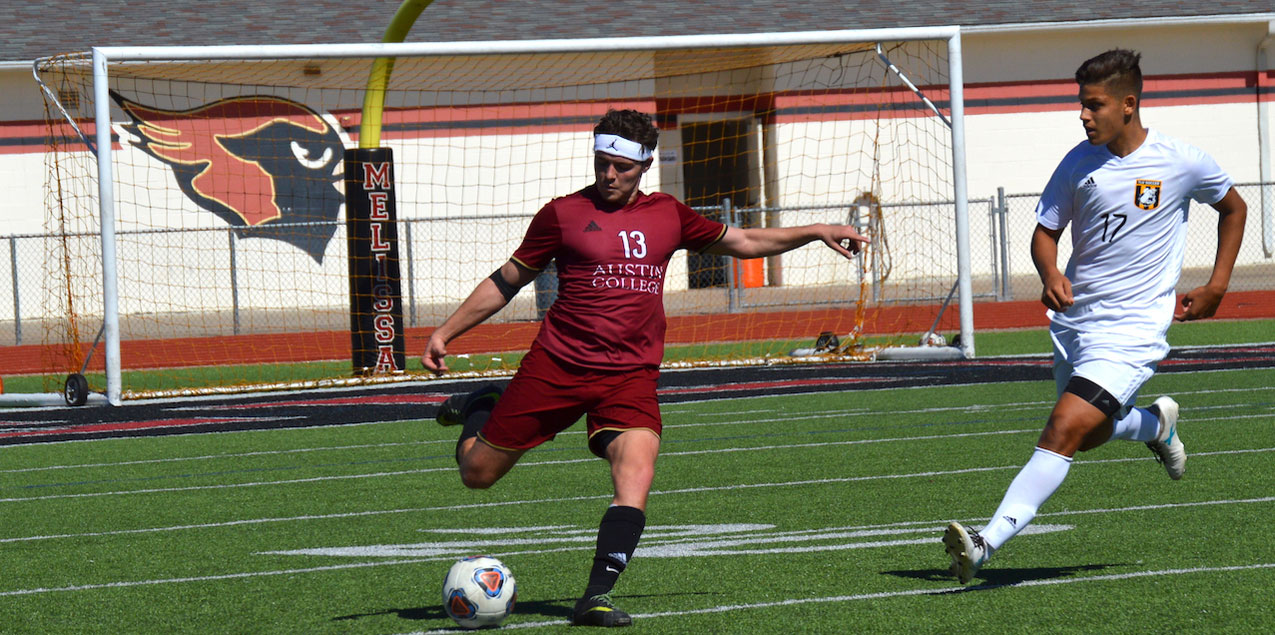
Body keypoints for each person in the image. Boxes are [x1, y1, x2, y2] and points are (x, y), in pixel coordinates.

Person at [422, 109, 869, 626]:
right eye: (601, 163)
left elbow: (744, 243)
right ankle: (482, 404)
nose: (608, 175)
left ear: (645, 165)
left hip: (630, 376)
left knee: (636, 472)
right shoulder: (562, 214)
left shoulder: (669, 215)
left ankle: (594, 597)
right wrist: (445, 332)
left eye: (621, 167)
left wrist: (815, 230)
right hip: (558, 366)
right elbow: (507, 279)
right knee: (476, 474)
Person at [943, 49, 1247, 585]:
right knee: (1092, 433)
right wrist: (1049, 272)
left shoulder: (1182, 160)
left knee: (1063, 428)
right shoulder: (1077, 163)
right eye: (1081, 105)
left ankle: (985, 543)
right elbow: (1045, 232)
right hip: (1076, 325)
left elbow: (1233, 208)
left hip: (1132, 332)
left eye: (1093, 105)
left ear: (1128, 105)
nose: (1083, 115)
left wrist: (1218, 284)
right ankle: (1154, 424)